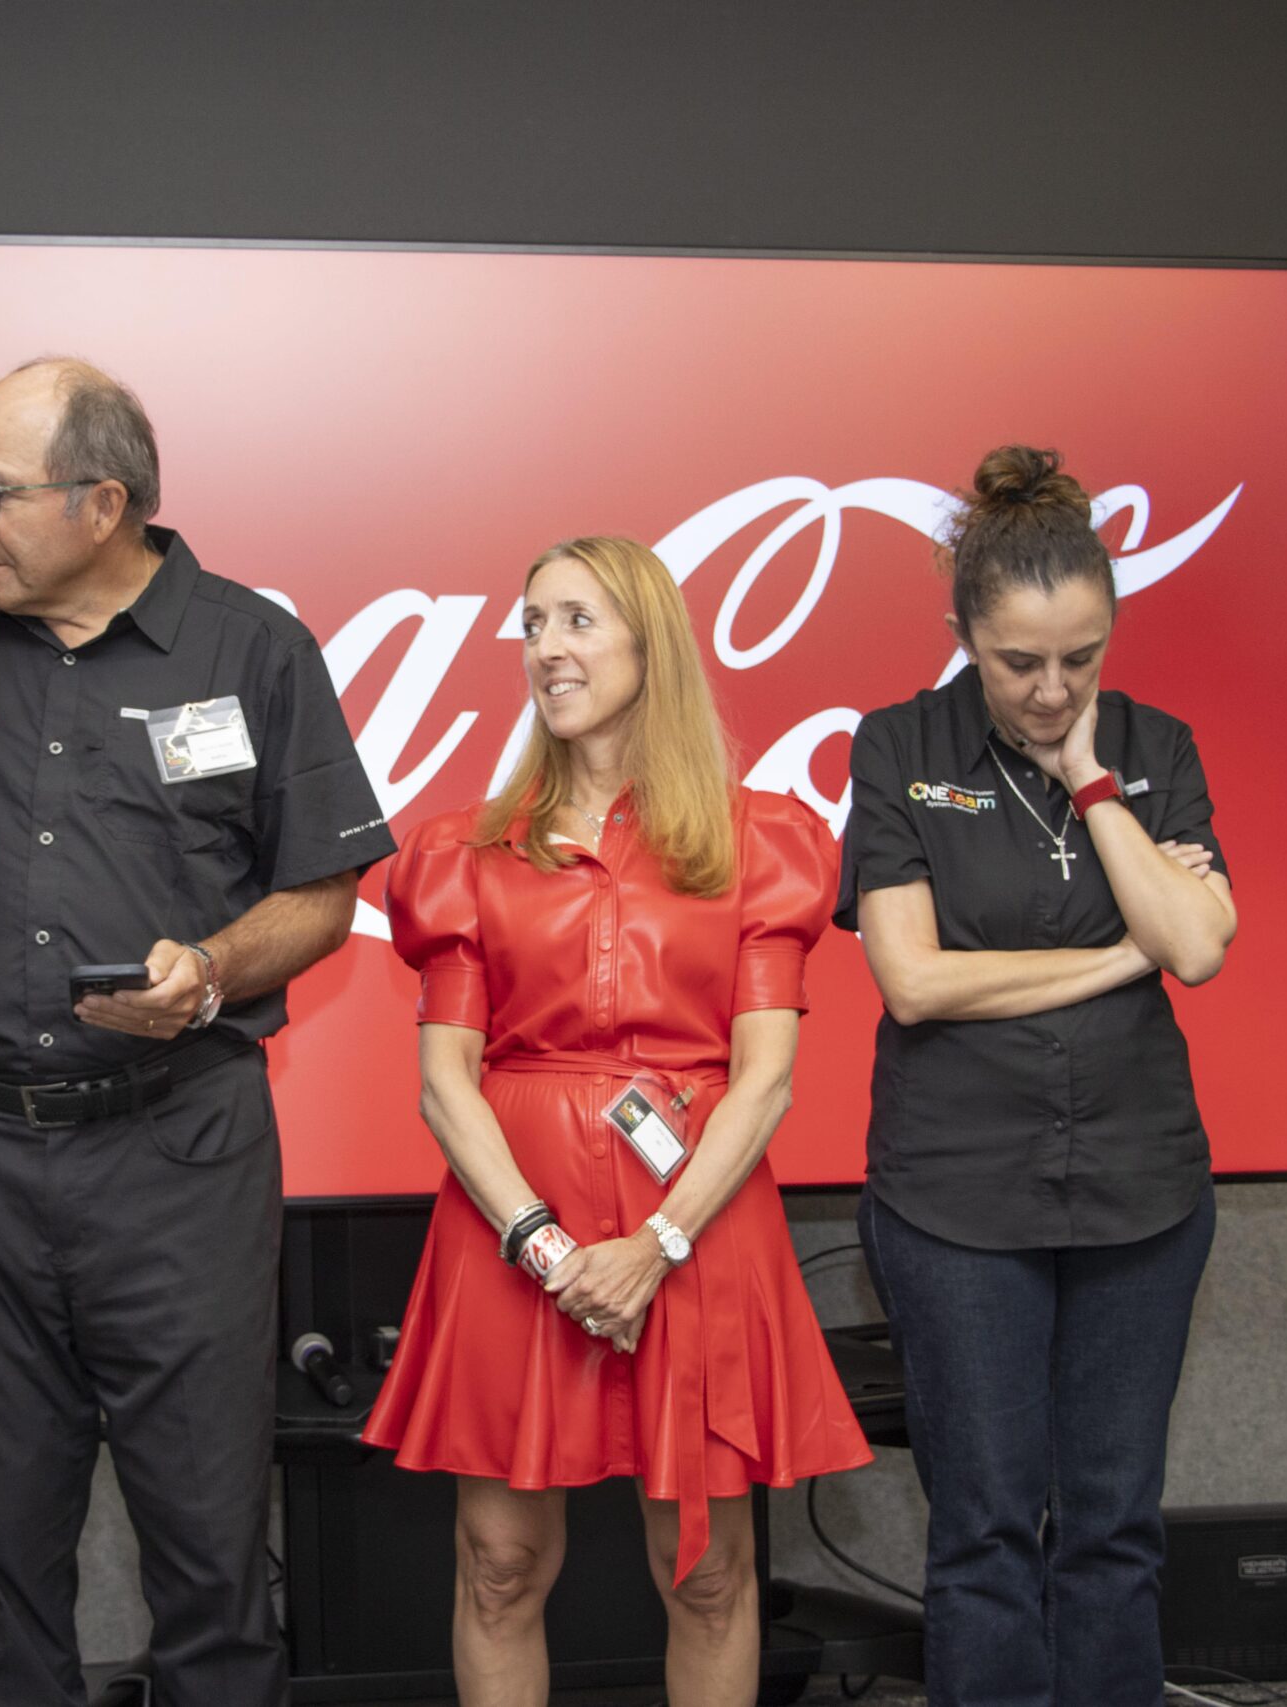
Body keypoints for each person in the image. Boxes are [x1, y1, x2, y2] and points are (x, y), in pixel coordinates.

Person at [0, 358, 393, 1707]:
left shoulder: (252, 648)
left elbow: (321, 895)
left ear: (104, 502)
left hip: (177, 1150)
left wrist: (210, 969)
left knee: (208, 1550)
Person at [361, 534, 871, 1707]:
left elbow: (765, 1079)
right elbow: (446, 1083)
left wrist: (659, 1242)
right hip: (509, 1233)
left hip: (696, 1231)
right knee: (497, 1565)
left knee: (708, 1574)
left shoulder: (759, 842)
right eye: (533, 624)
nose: (546, 647)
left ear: (652, 648)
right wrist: (540, 1243)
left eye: (578, 621)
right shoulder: (465, 854)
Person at [836, 446, 1237, 1705]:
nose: (1054, 690)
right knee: (986, 1532)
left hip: (1140, 1190)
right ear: (963, 635)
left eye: (1082, 658)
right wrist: (1120, 955)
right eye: (1019, 663)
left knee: (1114, 1528)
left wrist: (1094, 781)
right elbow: (914, 981)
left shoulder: (1155, 747)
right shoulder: (897, 747)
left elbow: (1196, 951)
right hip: (955, 1198)